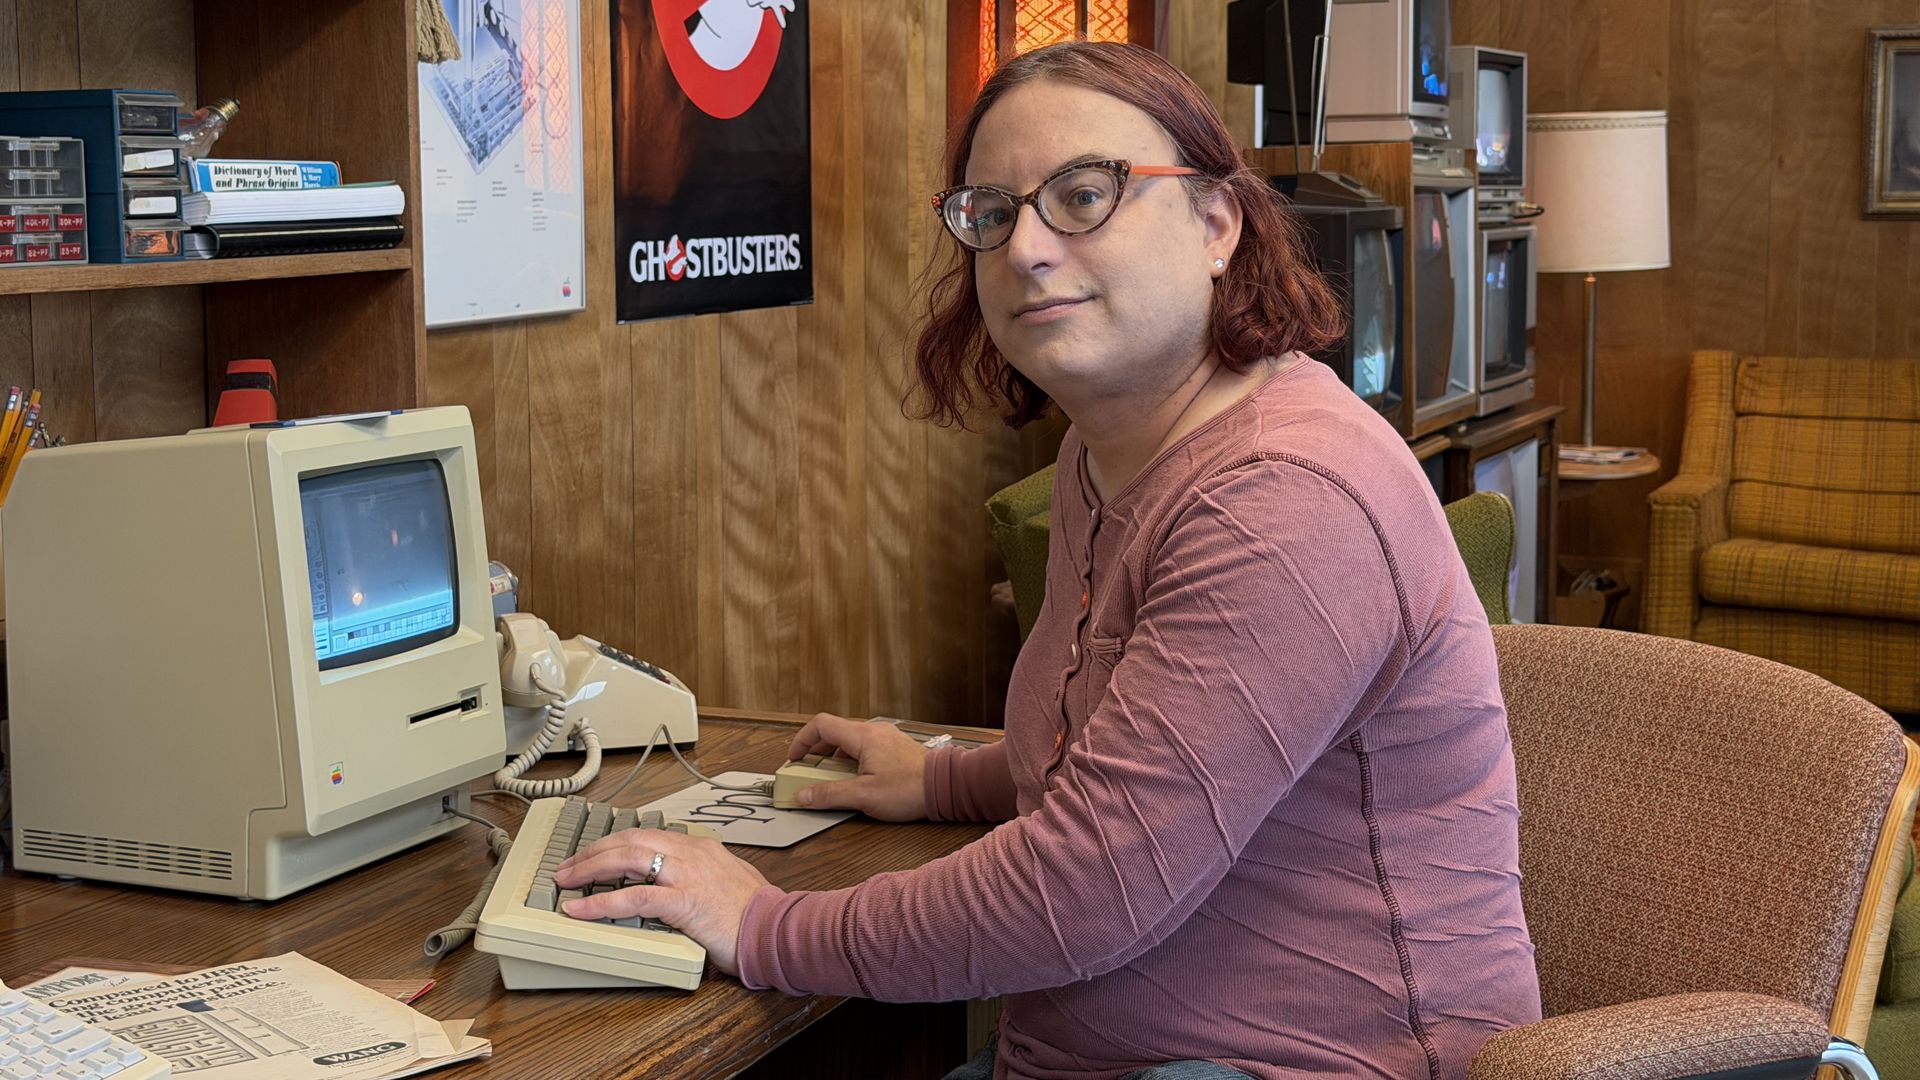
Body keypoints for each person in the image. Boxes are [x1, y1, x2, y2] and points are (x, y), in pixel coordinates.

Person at [554, 41, 1541, 1080]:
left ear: (1218, 223)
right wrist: (941, 781)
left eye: (1082, 194)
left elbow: (1090, 888)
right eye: (992, 211)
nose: (1023, 246)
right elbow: (1131, 750)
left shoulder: (1287, 496)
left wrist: (761, 925)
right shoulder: (1100, 450)